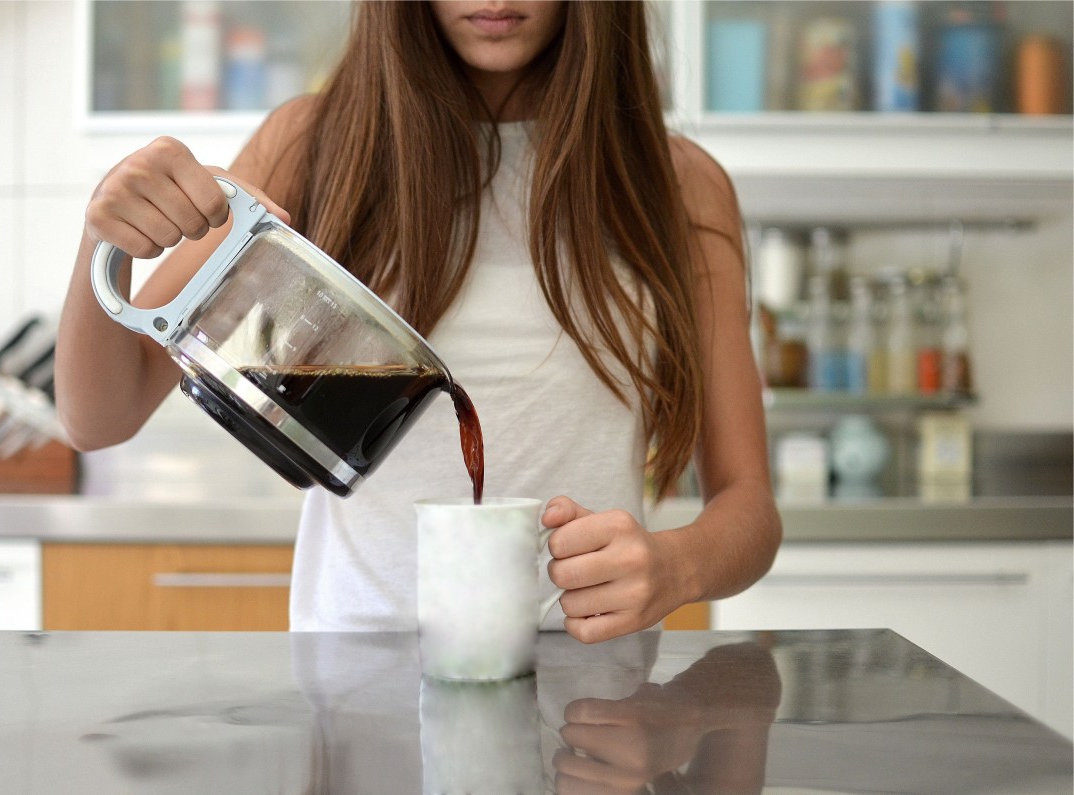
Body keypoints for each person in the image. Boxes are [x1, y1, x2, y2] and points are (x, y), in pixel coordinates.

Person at [55, 1, 782, 643]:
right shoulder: (312, 144)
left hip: (590, 700)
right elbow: (98, 417)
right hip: (354, 679)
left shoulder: (677, 184)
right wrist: (105, 240)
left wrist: (677, 565)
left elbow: (749, 504)